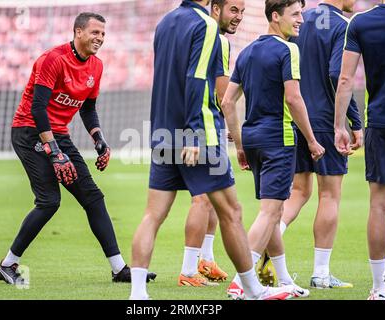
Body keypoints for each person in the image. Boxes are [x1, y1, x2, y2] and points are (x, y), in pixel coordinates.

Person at [130, 0, 295, 300]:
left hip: (163, 132)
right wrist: (194, 134)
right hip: (199, 135)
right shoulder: (205, 25)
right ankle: (251, 288)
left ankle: (138, 293)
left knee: (152, 215)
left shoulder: (164, 23)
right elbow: (195, 80)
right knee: (231, 212)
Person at [0, 12, 155, 285]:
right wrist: (55, 153)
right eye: (95, 32)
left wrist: (98, 138)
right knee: (49, 202)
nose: (100, 38)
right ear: (78, 32)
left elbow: (88, 108)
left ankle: (119, 269)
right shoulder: (53, 59)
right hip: (29, 130)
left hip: (58, 133)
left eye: (103, 34)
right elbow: (37, 109)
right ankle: (7, 264)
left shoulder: (96, 66)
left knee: (93, 198)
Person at [224, 0, 325, 299]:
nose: (301, 20)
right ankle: (241, 283)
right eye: (295, 14)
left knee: (275, 209)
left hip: (253, 139)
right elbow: (294, 99)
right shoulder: (288, 49)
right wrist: (311, 140)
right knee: (270, 213)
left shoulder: (247, 51)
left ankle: (282, 280)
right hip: (278, 138)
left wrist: (240, 143)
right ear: (275, 16)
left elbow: (228, 102)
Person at [273, 0, 363, 289]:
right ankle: (321, 273)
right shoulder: (342, 25)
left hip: (296, 117)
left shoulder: (300, 18)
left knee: (298, 191)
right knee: (329, 196)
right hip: (324, 120)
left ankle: (267, 240)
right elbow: (339, 74)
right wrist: (354, 121)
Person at [334, 0, 385, 300]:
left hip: (380, 123)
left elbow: (345, 78)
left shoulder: (360, 22)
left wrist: (339, 126)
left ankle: (378, 288)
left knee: (378, 206)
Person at [179, 0, 245, 287]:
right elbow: (223, 96)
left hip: (183, 124)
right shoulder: (215, 39)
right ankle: (188, 269)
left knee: (214, 199)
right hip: (203, 127)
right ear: (215, 9)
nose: (239, 17)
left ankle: (205, 258)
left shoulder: (187, 32)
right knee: (204, 199)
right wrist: (233, 128)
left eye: (242, 12)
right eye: (234, 10)